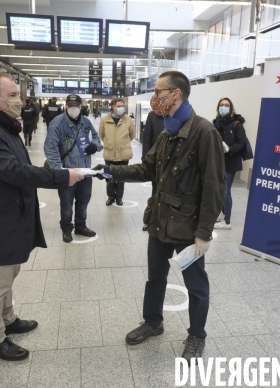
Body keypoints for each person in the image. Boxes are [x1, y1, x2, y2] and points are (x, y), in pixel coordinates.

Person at [93, 71, 225, 360]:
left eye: (158, 92)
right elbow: (146, 169)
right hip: (160, 219)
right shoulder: (168, 132)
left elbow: (215, 188)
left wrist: (204, 233)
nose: (155, 98)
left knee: (196, 284)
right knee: (155, 278)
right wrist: (108, 170)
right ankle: (153, 322)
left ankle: (196, 335)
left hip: (189, 227)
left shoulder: (204, 133)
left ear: (175, 94)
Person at [0, 72, 84, 362]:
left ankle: (8, 319)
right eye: (13, 95)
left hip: (12, 214)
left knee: (8, 275)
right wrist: (60, 176)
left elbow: (21, 165)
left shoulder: (4, 126)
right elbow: (13, 171)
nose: (20, 100)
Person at [44, 94, 102, 243]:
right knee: (67, 204)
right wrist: (60, 172)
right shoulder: (57, 124)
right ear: (66, 106)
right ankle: (66, 229)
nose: (73, 108)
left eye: (76, 105)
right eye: (70, 105)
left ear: (81, 106)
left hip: (84, 172)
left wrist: (95, 145)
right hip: (67, 173)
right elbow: (50, 150)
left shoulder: (86, 122)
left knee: (83, 202)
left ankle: (81, 226)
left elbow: (97, 138)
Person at [212, 98, 247, 230]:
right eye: (221, 105)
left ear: (231, 108)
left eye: (226, 105)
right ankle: (222, 214)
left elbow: (242, 142)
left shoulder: (237, 124)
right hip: (218, 161)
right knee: (219, 189)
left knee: (226, 191)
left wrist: (229, 149)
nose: (224, 107)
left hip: (231, 162)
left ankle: (227, 222)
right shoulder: (216, 123)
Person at [99, 98, 135, 206]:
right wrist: (110, 143)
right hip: (109, 154)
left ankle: (119, 197)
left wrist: (122, 144)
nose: (121, 108)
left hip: (123, 154)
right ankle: (111, 197)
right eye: (119, 106)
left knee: (121, 177)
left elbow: (132, 135)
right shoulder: (105, 120)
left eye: (122, 106)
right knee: (109, 176)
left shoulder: (128, 120)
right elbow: (101, 134)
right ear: (113, 107)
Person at [140, 110, 165, 231]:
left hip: (174, 162)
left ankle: (166, 221)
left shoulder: (177, 114)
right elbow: (147, 138)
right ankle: (151, 220)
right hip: (157, 160)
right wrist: (145, 159)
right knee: (155, 192)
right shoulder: (153, 115)